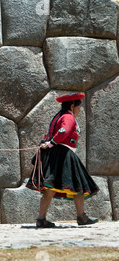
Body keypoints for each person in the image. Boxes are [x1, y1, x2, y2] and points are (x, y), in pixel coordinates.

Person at [26, 93, 99, 228]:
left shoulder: (59, 116)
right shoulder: (68, 117)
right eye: (79, 107)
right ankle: (81, 216)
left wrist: (49, 144)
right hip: (64, 154)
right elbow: (64, 131)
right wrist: (51, 143)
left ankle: (41, 219)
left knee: (50, 188)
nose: (79, 110)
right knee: (78, 184)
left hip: (58, 153)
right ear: (72, 105)